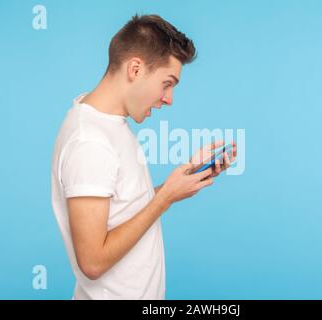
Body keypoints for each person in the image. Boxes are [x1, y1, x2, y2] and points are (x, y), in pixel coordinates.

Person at [51, 14, 236, 300]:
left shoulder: (109, 124)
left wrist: (179, 183)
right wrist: (164, 199)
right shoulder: (89, 142)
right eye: (167, 83)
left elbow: (123, 208)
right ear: (135, 69)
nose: (169, 98)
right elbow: (93, 261)